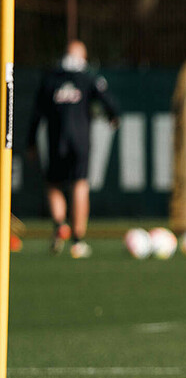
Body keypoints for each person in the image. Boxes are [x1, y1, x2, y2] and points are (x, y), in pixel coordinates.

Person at [27, 40, 119, 258]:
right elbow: (110, 104)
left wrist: (30, 142)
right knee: (79, 184)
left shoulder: (50, 78)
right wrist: (113, 117)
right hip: (80, 141)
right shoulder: (88, 77)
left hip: (56, 140)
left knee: (54, 183)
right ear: (82, 57)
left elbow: (36, 114)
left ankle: (60, 224)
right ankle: (78, 241)